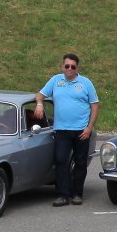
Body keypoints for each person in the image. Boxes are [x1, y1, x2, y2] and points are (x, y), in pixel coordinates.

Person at [33, 53, 99, 206]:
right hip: (62, 129)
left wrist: (89, 128)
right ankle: (62, 194)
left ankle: (77, 193)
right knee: (61, 161)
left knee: (80, 162)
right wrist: (39, 104)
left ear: (77, 68)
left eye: (73, 67)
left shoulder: (86, 83)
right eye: (67, 66)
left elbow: (95, 106)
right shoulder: (56, 80)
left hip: (81, 130)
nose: (69, 69)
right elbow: (40, 95)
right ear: (62, 66)